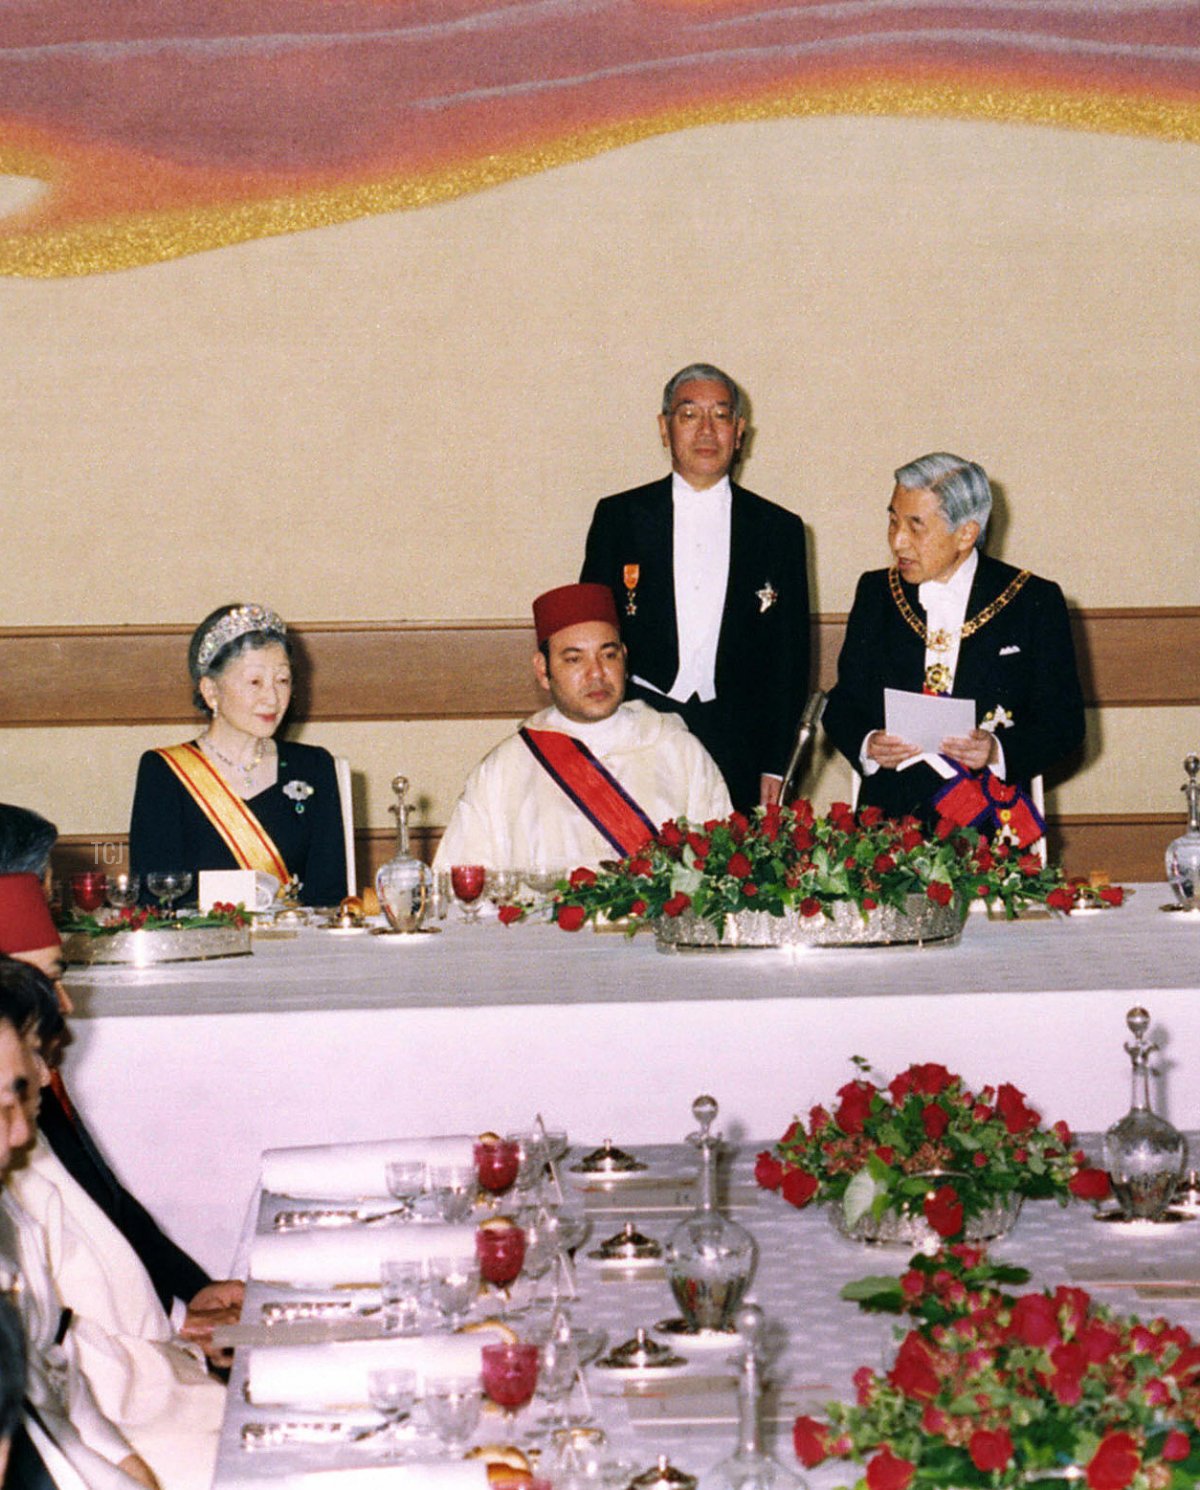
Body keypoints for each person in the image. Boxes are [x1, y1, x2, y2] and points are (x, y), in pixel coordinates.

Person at [580, 363, 809, 812]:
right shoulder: (619, 518)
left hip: (739, 741)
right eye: (689, 415)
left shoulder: (778, 529)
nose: (706, 430)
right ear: (664, 428)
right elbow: (592, 638)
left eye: (720, 415)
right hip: (638, 731)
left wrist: (775, 764)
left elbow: (790, 658)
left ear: (739, 431)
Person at [823, 453, 1085, 836]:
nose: (898, 540)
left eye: (916, 526)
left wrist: (996, 751)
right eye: (893, 520)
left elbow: (1064, 724)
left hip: (990, 825)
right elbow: (843, 705)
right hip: (891, 822)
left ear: (966, 533)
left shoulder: (1032, 600)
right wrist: (869, 743)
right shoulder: (877, 593)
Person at [434, 583, 732, 871]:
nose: (597, 673)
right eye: (575, 659)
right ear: (543, 670)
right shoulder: (503, 771)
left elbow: (724, 874)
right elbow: (465, 886)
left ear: (625, 659)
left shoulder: (679, 752)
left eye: (608, 654)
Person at [0, 974, 152, 1489]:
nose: (19, 1132)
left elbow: (53, 1378)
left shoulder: (8, 1216)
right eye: (2, 1104)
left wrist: (128, 1469)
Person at [128, 604, 347, 906]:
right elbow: (155, 899)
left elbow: (330, 897)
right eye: (255, 682)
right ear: (211, 692)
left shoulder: (314, 767)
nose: (272, 698)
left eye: (282, 680)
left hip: (298, 949)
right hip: (202, 949)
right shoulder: (165, 772)